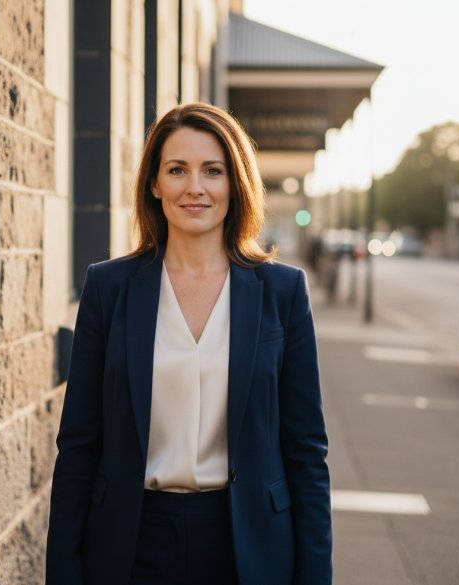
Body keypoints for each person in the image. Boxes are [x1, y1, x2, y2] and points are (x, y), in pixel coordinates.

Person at [46, 103, 331, 585]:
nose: (194, 187)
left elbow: (306, 453)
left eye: (212, 171)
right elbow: (78, 446)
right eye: (177, 169)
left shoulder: (282, 292)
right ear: (155, 184)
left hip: (247, 546)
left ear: (234, 184)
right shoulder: (109, 288)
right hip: (130, 542)